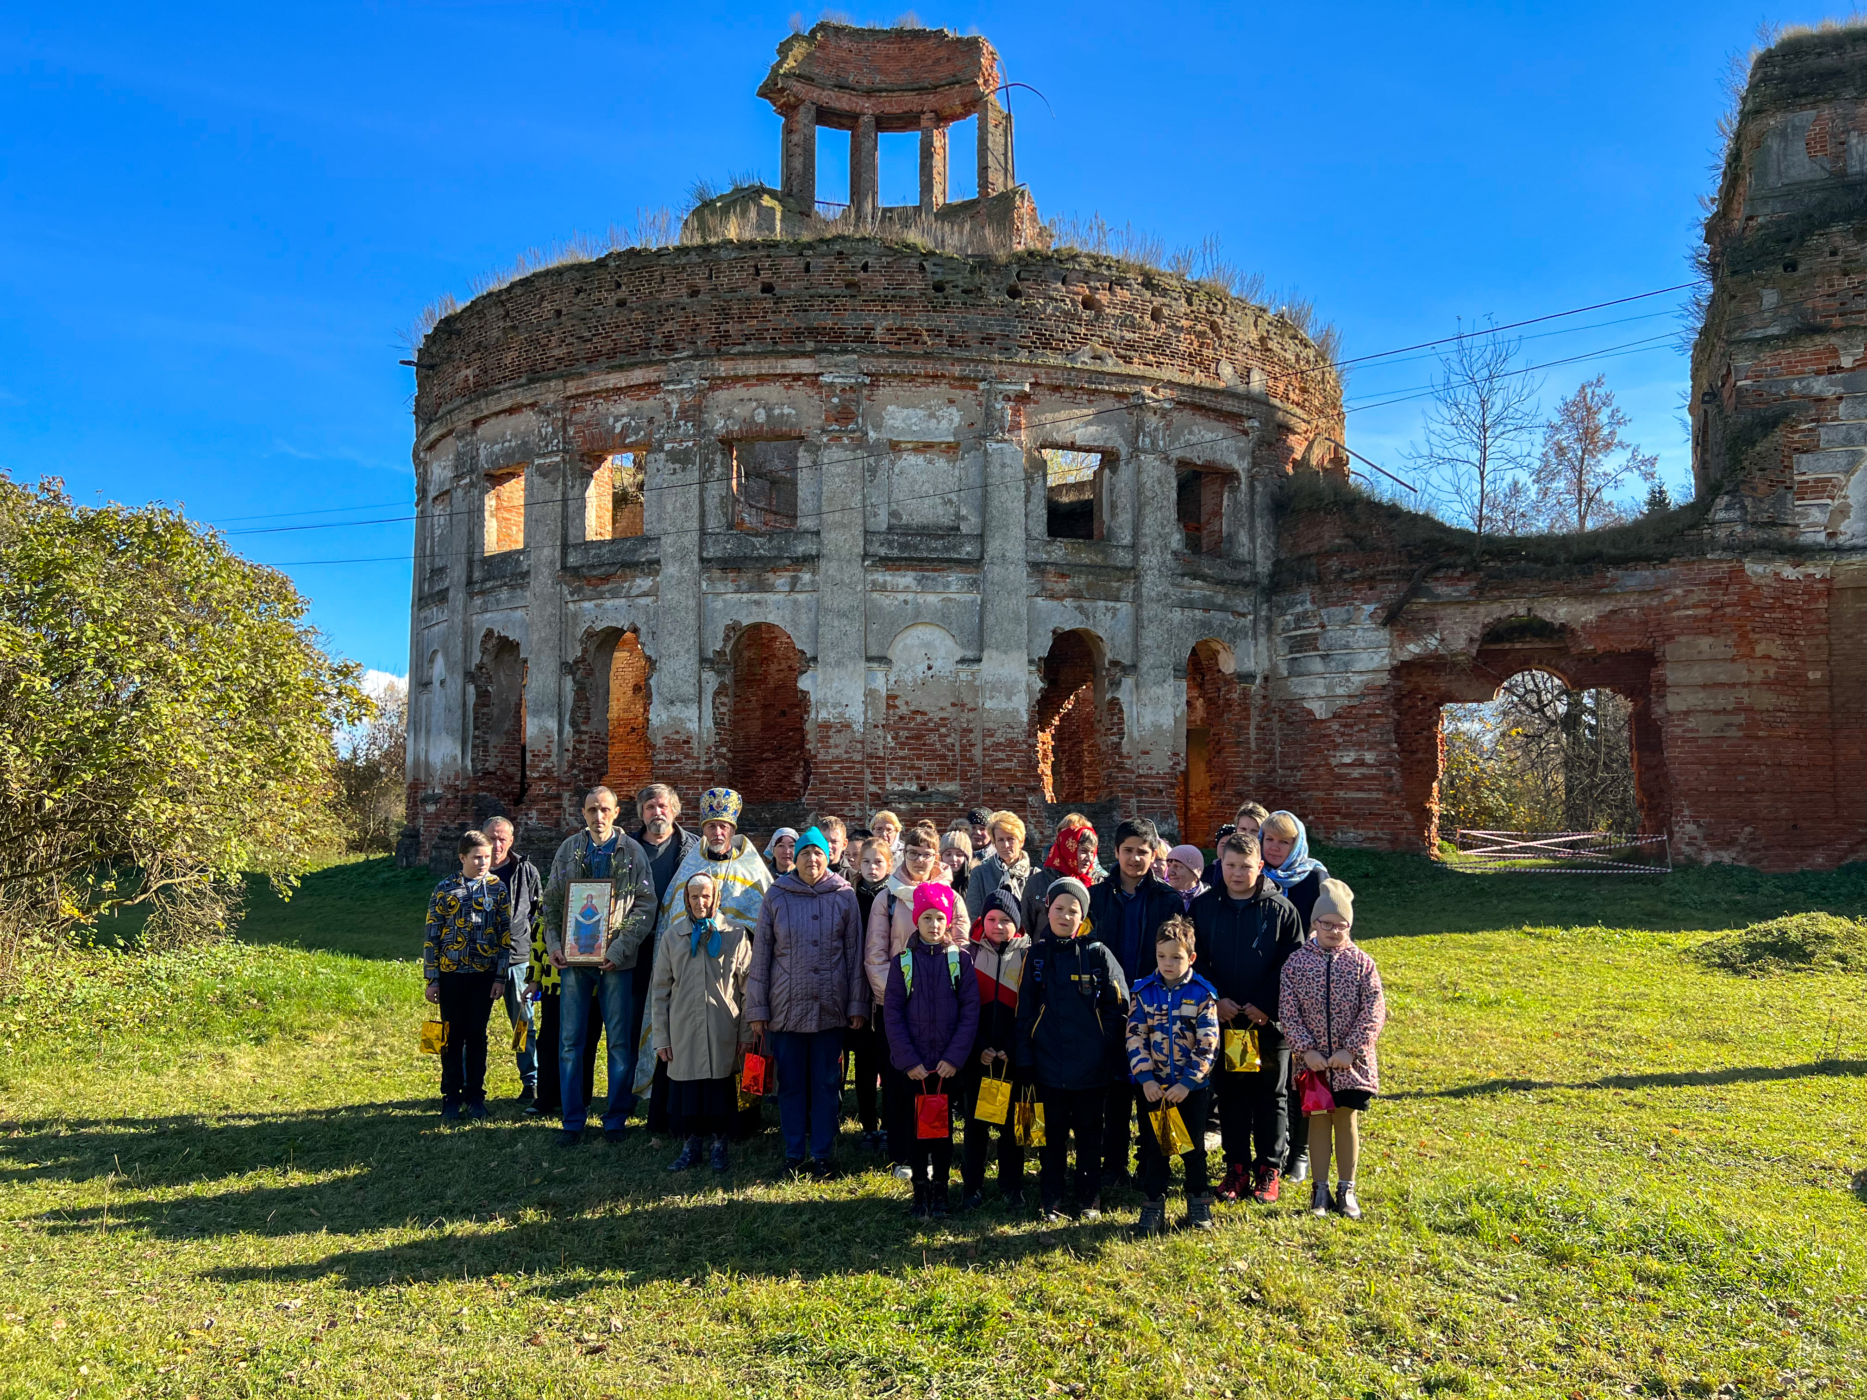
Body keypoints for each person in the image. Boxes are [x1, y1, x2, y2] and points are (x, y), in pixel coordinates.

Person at [638, 788, 774, 1132]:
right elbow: (671, 922)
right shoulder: (691, 866)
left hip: (730, 983)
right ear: (703, 828)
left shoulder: (753, 868)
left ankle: (737, 1123)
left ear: (733, 829)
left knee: (734, 1049)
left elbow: (766, 925)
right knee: (688, 1047)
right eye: (712, 826)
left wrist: (736, 931)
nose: (717, 833)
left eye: (724, 827)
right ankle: (679, 1120)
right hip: (688, 983)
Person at [1190, 831, 1304, 1203]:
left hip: (1267, 1022)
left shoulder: (1281, 910)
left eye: (1245, 866)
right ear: (1220, 865)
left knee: (1271, 1095)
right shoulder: (1204, 908)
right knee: (1233, 1094)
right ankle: (1237, 1167)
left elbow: (1292, 962)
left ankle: (1269, 1167)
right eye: (1230, 865)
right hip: (1227, 1020)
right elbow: (1196, 959)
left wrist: (1265, 1004)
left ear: (1260, 866)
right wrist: (1217, 998)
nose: (1237, 873)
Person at [746, 826, 867, 1175]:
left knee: (827, 1083)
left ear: (827, 856)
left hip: (831, 1005)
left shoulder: (843, 895)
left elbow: (854, 951)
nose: (811, 859)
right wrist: (758, 1008)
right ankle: (794, 1152)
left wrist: (857, 1003)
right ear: (793, 859)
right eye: (804, 854)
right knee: (792, 1083)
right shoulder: (777, 895)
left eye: (817, 853)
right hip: (786, 1007)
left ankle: (823, 1154)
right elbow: (762, 954)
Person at [541, 787, 658, 1147]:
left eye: (604, 809)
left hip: (615, 962)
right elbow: (551, 902)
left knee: (620, 1043)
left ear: (617, 812)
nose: (598, 816)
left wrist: (620, 949)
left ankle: (615, 1118)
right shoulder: (569, 850)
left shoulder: (632, 851)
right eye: (592, 809)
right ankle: (572, 1120)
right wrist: (556, 946)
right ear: (583, 812)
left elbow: (645, 905)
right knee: (570, 1041)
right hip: (574, 962)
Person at [1014, 876, 1129, 1223]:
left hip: (1092, 1068)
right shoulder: (1035, 956)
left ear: (1083, 916)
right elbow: (1024, 1012)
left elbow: (1118, 1007)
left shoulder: (1098, 955)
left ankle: (1089, 1199)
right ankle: (1051, 1199)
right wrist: (1025, 1058)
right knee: (1052, 1138)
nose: (1065, 916)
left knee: (1090, 1135)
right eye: (1059, 909)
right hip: (1048, 1065)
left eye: (1073, 911)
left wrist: (1103, 1045)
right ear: (1048, 911)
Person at [865, 822, 971, 1173]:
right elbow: (875, 954)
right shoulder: (888, 896)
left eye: (927, 854)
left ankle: (934, 1155)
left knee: (937, 1084)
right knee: (898, 1085)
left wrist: (946, 991)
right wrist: (896, 994)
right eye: (913, 853)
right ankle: (902, 1155)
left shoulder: (951, 896)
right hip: (896, 1006)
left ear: (936, 857)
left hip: (941, 1007)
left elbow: (961, 945)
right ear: (903, 854)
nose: (920, 860)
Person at [1279, 879, 1384, 1220]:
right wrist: (1305, 1050)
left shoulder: (1362, 963)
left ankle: (1346, 1188)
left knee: (1346, 1121)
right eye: (1327, 924)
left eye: (1342, 926)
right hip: (1313, 1065)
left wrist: (1351, 1050)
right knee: (1318, 1121)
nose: (1334, 931)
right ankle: (1319, 1189)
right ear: (1314, 924)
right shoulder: (1295, 964)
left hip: (1351, 1065)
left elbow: (1374, 1009)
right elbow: (1288, 1011)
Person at [1087, 817, 1182, 1191]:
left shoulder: (1167, 899)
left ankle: (1151, 1162)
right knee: (1114, 1091)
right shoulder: (1097, 895)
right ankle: (1113, 1164)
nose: (1135, 859)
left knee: (1153, 1086)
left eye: (1143, 852)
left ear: (1154, 854)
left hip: (1153, 1006)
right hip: (1108, 1006)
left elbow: (1177, 950)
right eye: (1128, 851)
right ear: (1115, 852)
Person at [882, 881, 980, 1219]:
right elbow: (892, 1015)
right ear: (917, 921)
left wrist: (954, 1058)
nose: (934, 925)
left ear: (948, 921)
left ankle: (941, 1190)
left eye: (940, 918)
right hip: (915, 1067)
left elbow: (970, 1012)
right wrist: (909, 1061)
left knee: (942, 1131)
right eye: (927, 919)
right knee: (915, 1131)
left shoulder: (960, 961)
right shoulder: (903, 963)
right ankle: (919, 1191)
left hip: (947, 1067)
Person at [652, 872, 754, 1174]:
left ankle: (719, 1144)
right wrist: (662, 1037)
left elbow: (748, 987)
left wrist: (746, 1032)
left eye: (706, 896)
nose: (700, 902)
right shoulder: (674, 936)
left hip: (724, 1026)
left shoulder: (735, 934)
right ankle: (691, 1145)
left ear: (716, 898)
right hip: (684, 1028)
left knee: (720, 1089)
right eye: (694, 896)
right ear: (686, 899)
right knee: (690, 1091)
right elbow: (660, 990)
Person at [1127, 916, 1220, 1235]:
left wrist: (1188, 1082)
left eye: (1176, 957)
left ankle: (1198, 1203)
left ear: (1191, 957)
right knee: (1155, 1150)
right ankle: (1153, 1206)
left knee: (1193, 1150)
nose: (1168, 963)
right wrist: (1146, 1078)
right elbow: (1134, 1037)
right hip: (1154, 1089)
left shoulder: (1203, 994)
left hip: (1190, 1090)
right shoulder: (1143, 991)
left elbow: (1208, 1043)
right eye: (1162, 956)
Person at [423, 830, 514, 1122]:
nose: (482, 862)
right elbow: (432, 935)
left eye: (487, 857)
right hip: (451, 975)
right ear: (462, 857)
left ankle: (475, 1096)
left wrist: (500, 977)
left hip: (484, 976)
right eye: (477, 857)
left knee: (477, 1035)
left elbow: (504, 936)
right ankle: (451, 1097)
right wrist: (432, 978)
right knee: (451, 1036)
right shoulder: (445, 889)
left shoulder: (497, 889)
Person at [630, 784, 699, 1137]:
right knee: (629, 1023)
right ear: (641, 812)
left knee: (669, 1021)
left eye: (662, 806)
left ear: (675, 810)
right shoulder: (626, 847)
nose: (657, 812)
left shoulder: (693, 850)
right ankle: (631, 1090)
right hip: (632, 949)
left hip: (678, 952)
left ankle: (664, 1091)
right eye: (650, 807)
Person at [959, 886, 1030, 1211]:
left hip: (1014, 1058)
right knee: (976, 1127)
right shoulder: (968, 955)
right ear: (981, 920)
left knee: (1015, 1126)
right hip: (980, 1059)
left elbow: (1031, 1011)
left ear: (1017, 924)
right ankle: (971, 1185)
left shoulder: (1028, 956)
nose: (998, 926)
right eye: (991, 919)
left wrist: (1013, 1048)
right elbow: (962, 1010)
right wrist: (979, 1048)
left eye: (1005, 920)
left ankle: (1012, 1184)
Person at [484, 816, 542, 1107]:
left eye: (502, 838)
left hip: (518, 958)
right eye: (492, 838)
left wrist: (536, 959)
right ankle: (471, 1086)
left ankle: (530, 1081)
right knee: (472, 1024)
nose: (497, 845)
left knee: (523, 1022)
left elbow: (538, 913)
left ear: (511, 840)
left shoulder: (525, 870)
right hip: (479, 960)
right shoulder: (473, 869)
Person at [846, 837, 894, 1151]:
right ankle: (867, 1124)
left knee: (890, 1061)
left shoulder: (895, 898)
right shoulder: (850, 897)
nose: (872, 868)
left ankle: (890, 1123)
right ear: (857, 865)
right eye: (866, 862)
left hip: (889, 990)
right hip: (860, 988)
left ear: (889, 865)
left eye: (878, 862)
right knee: (863, 1062)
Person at [1020, 813, 1101, 935]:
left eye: (1092, 852)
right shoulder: (1038, 882)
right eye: (1083, 851)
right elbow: (1025, 928)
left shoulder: (1099, 883)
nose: (1089, 858)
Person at [1259, 811, 1328, 933]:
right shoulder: (1254, 873)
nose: (1274, 847)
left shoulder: (1315, 877)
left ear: (1296, 845)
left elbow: (1329, 923)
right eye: (1269, 839)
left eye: (1284, 841)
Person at [964, 810, 1031, 924]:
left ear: (1021, 841)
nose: (1006, 845)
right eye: (1000, 840)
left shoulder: (1034, 875)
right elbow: (974, 915)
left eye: (1010, 839)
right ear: (994, 843)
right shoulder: (980, 874)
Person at [1204, 802, 1269, 889]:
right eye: (1243, 829)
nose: (1247, 834)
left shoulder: (1271, 862)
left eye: (1254, 830)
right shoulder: (1223, 862)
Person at [1164, 843, 1208, 911]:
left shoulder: (1211, 901)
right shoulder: (1160, 899)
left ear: (1194, 872)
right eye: (1169, 866)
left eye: (1177, 866)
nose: (1170, 873)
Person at [940, 828, 973, 898]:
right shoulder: (933, 880)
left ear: (966, 858)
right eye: (948, 854)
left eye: (959, 855)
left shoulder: (975, 880)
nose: (953, 859)